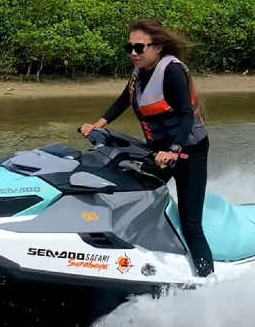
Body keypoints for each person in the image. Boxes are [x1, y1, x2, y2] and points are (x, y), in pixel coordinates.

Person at [79, 19, 213, 277]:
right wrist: (98, 124)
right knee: (131, 194)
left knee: (191, 224)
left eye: (139, 47)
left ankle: (207, 280)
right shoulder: (138, 72)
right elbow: (122, 101)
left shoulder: (172, 71)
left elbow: (186, 115)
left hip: (188, 152)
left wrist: (174, 149)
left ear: (158, 47)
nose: (133, 53)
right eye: (129, 47)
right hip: (158, 151)